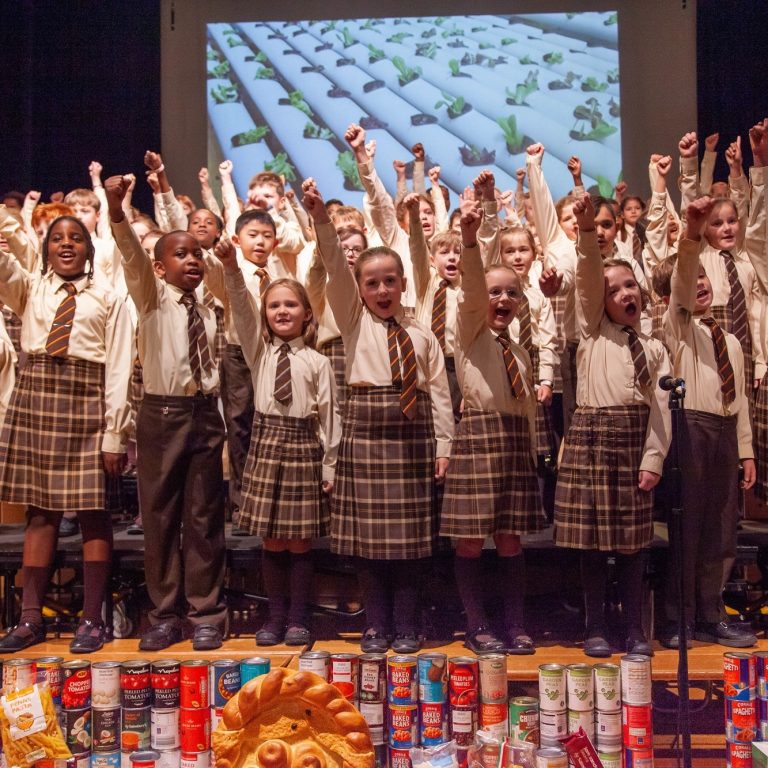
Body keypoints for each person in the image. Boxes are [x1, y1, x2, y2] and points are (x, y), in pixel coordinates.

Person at [303, 177, 453, 654]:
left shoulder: (421, 332)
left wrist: (444, 445)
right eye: (372, 283)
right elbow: (332, 262)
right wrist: (322, 220)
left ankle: (407, 624)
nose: (382, 289)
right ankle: (376, 624)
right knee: (370, 544)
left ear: (404, 283)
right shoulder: (351, 318)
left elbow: (440, 392)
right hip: (366, 432)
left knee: (410, 543)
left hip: (413, 434)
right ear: (359, 289)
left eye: (390, 281)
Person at [0, 214, 132, 653]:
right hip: (38, 396)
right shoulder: (32, 288)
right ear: (46, 248)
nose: (66, 244)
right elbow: (5, 270)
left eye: (76, 238)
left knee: (94, 511)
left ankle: (94, 619)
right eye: (57, 238)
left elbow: (118, 367)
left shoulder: (109, 297)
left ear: (89, 249)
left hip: (87, 400)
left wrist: (115, 432)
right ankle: (30, 618)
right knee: (40, 513)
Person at [106, 173, 227, 652]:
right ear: (159, 269)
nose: (192, 260)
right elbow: (132, 256)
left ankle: (206, 613)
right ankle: (162, 614)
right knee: (159, 516)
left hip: (204, 412)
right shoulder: (150, 296)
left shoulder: (210, 305)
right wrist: (117, 210)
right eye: (181, 254)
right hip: (162, 412)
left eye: (197, 253)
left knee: (203, 516)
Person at [554, 194, 672, 658]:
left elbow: (660, 411)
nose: (625, 294)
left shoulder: (656, 349)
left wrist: (653, 460)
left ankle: (634, 628)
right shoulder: (591, 332)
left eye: (631, 286)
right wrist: (586, 235)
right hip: (591, 439)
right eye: (614, 289)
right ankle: (596, 625)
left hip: (632, 442)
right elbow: (585, 280)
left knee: (631, 546)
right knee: (592, 545)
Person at [214, 236, 341, 645]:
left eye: (291, 305)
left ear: (307, 313)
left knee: (300, 540)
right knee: (272, 538)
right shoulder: (259, 352)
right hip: (268, 444)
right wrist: (232, 268)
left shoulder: (318, 361)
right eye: (274, 305)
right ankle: (275, 615)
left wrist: (330, 464)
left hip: (304, 445)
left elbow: (330, 416)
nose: (282, 311)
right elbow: (241, 307)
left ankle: (300, 617)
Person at [441, 200, 546, 654]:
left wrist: (534, 446)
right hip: (479, 438)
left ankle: (515, 624)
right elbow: (469, 293)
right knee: (469, 540)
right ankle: (477, 624)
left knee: (509, 539)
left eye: (512, 294)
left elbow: (527, 409)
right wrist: (469, 240)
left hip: (514, 443)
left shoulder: (520, 351)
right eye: (494, 293)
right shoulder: (470, 333)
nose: (502, 300)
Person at [654, 196, 756, 648]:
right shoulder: (677, 327)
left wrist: (747, 449)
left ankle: (713, 611)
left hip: (725, 432)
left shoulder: (729, 339)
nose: (698, 285)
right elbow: (681, 278)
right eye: (689, 280)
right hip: (691, 428)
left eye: (703, 278)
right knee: (689, 526)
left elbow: (741, 400)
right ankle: (680, 617)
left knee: (720, 527)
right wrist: (691, 239)